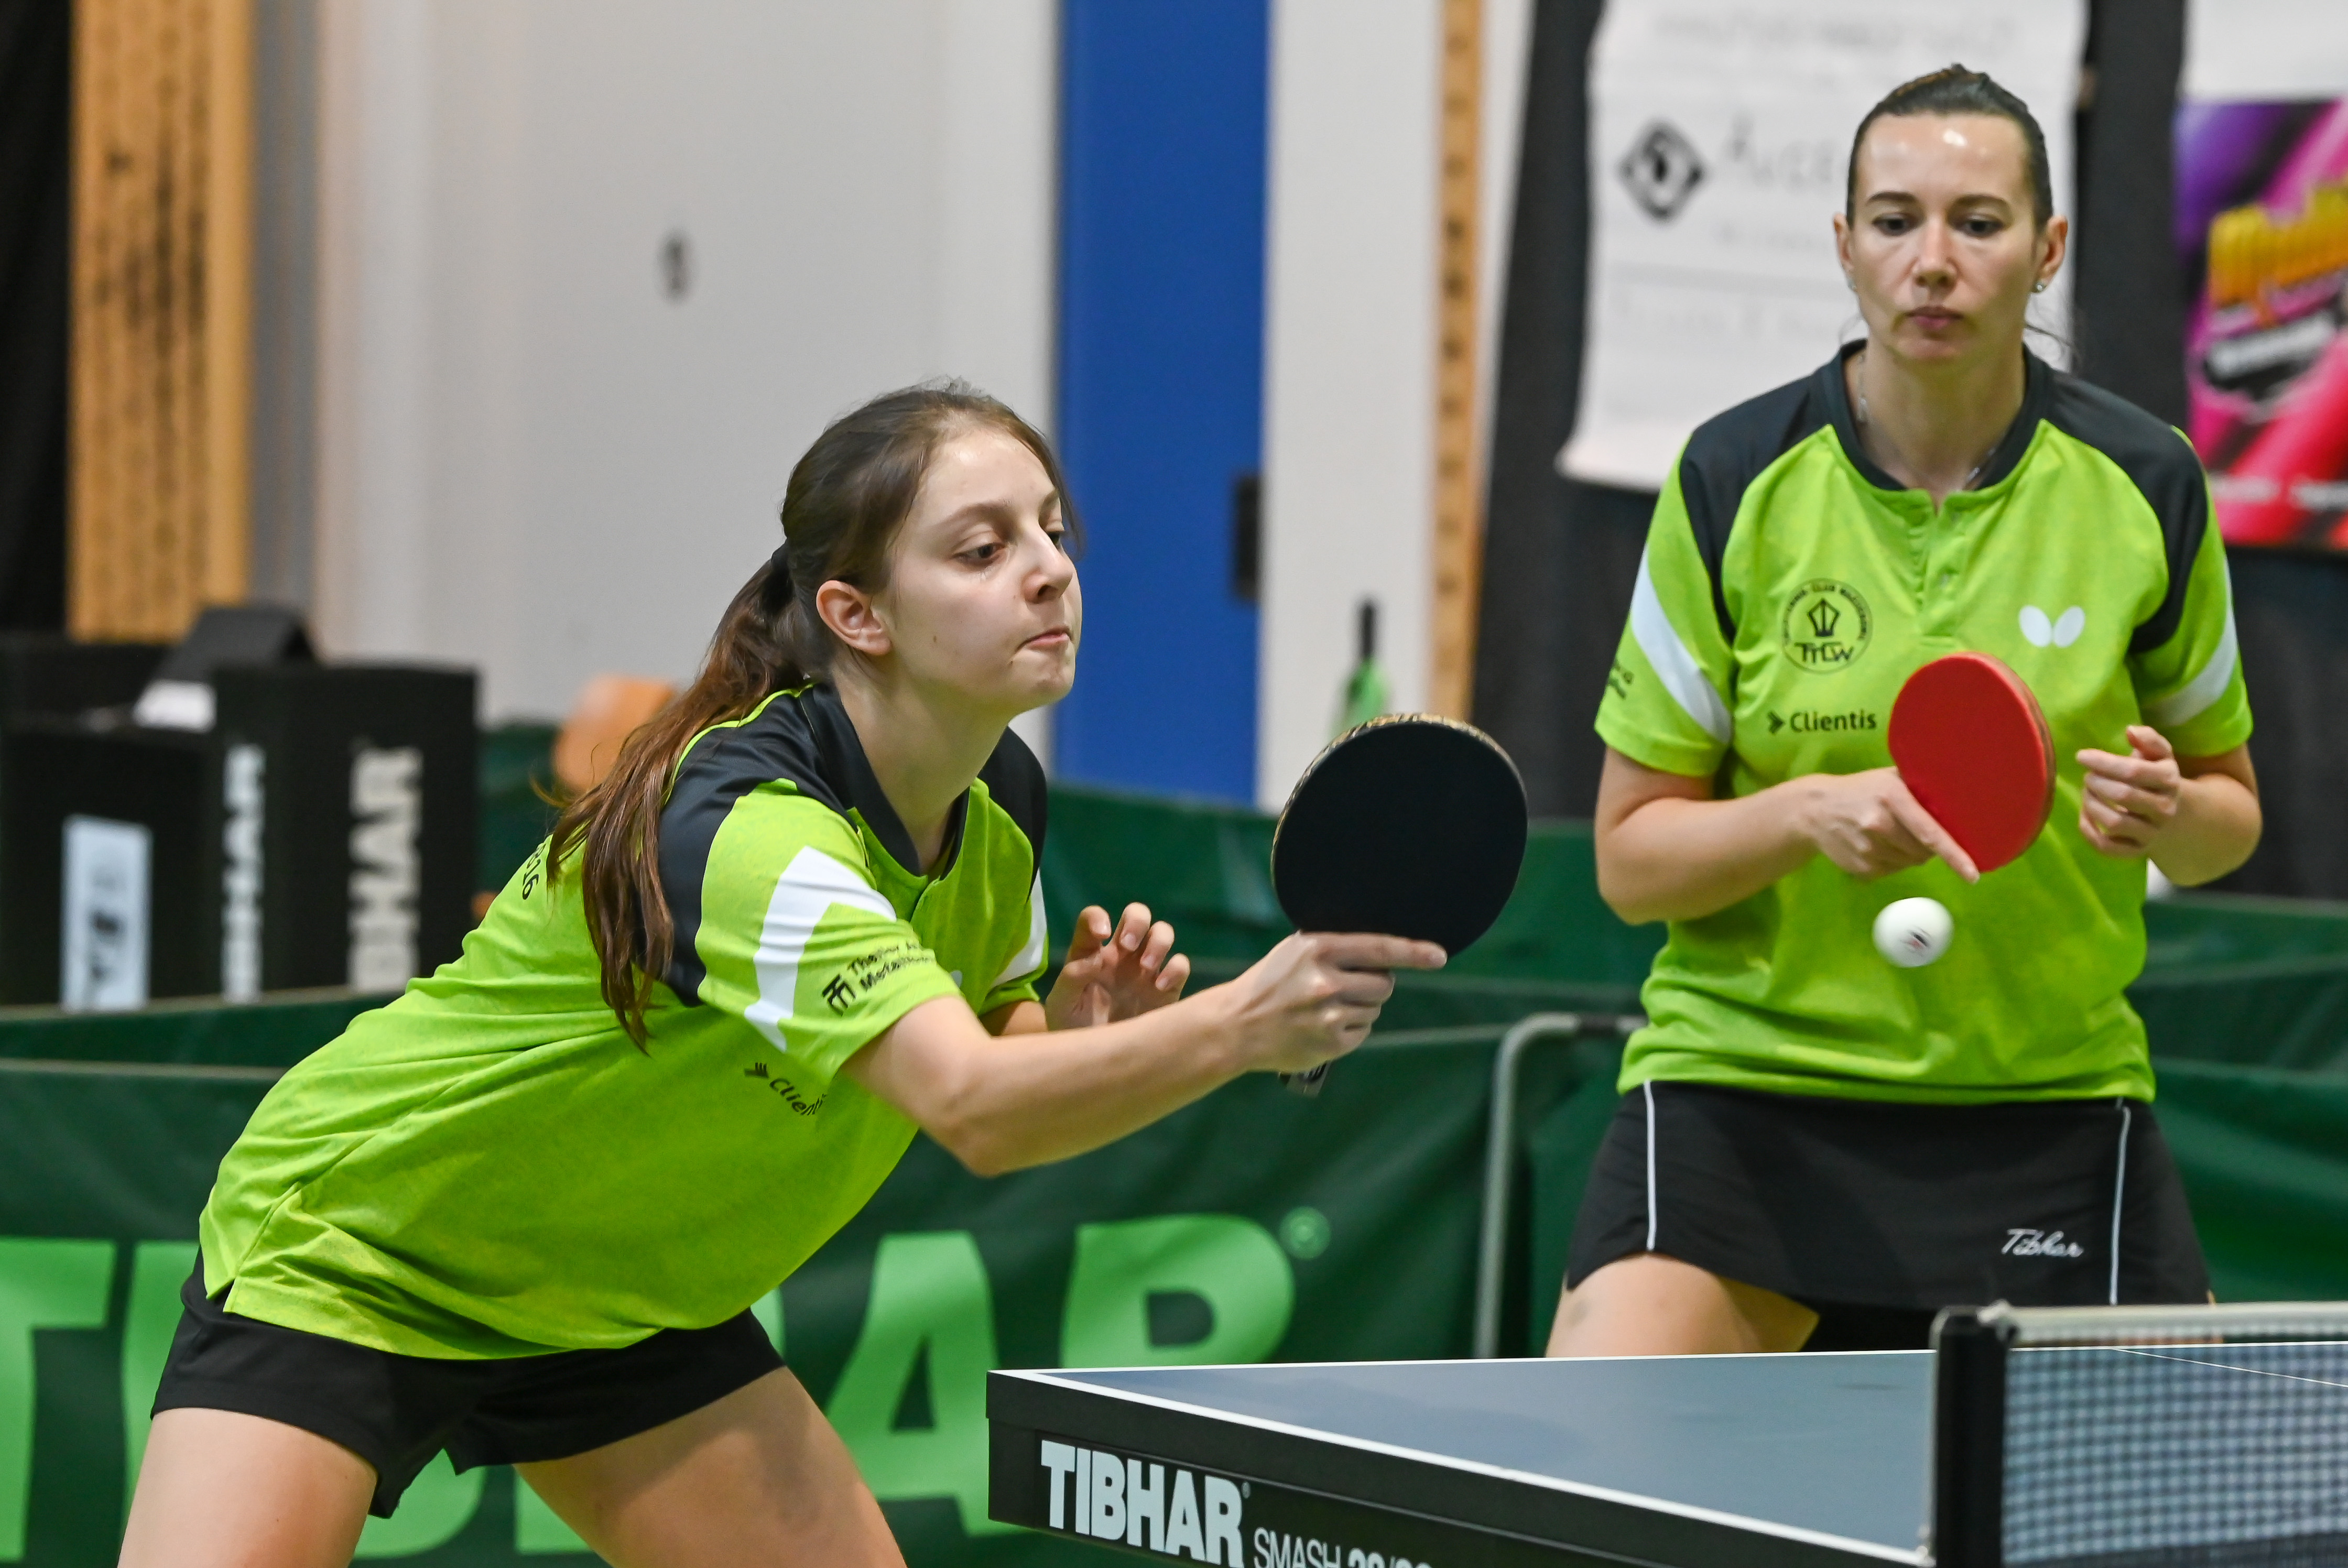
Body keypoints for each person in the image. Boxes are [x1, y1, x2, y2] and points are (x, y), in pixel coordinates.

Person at [121, 383, 1442, 1568]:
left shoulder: (997, 806)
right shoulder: (747, 830)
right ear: (852, 614)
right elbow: (971, 1108)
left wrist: (1090, 1033)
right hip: (371, 1245)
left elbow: (1010, 1075)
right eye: (982, 549)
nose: (1047, 573)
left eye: (1051, 529)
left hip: (630, 1303)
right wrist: (1231, 1025)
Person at [1549, 67, 2262, 1359]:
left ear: (2045, 251)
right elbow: (1628, 862)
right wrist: (1801, 812)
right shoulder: (1730, 479)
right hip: (1747, 1094)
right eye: (1892, 221)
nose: (1930, 261)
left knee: (2187, 1501)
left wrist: (2165, 814)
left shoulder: (2143, 483)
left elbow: (2226, 825)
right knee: (1594, 1464)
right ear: (1843, 247)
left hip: (2043, 1101)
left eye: (1976, 223)